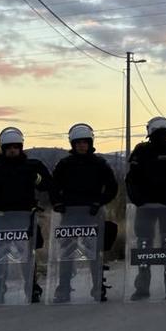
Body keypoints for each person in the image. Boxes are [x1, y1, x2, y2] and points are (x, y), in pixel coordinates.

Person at [0, 127, 52, 304]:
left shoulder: (32, 166)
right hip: (0, 218)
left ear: (21, 147)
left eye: (15, 146)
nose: (12, 150)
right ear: (3, 149)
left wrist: (36, 179)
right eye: (9, 147)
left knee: (26, 256)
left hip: (24, 217)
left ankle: (31, 288)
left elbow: (48, 183)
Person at [49, 123, 119, 303]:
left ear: (90, 143)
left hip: (92, 213)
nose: (81, 145)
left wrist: (100, 202)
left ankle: (98, 288)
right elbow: (53, 187)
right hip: (69, 215)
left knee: (94, 254)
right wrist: (57, 203)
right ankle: (63, 289)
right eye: (78, 142)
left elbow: (112, 187)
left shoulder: (99, 163)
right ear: (73, 144)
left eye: (84, 142)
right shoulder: (64, 164)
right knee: (67, 254)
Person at [125, 116, 166, 300]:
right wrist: (136, 199)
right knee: (143, 246)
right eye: (158, 133)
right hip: (145, 206)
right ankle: (142, 288)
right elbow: (131, 178)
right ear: (151, 133)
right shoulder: (141, 150)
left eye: (165, 133)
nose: (162, 136)